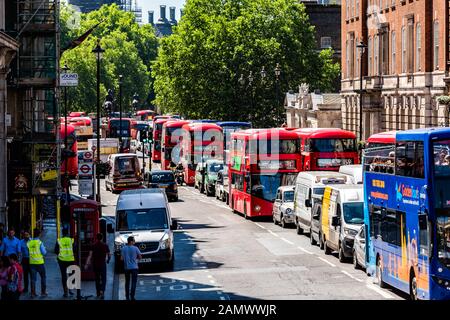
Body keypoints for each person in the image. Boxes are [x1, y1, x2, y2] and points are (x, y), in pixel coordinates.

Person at [85, 233, 111, 299]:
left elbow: (90, 255)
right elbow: (109, 254)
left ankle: (98, 292)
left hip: (95, 265)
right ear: (102, 238)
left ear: (96, 238)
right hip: (102, 264)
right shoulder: (105, 245)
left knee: (97, 279)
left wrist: (87, 264)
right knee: (103, 278)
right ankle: (102, 291)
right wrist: (108, 260)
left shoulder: (93, 245)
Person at [54, 227, 75, 298]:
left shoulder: (59, 240)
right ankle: (71, 290)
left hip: (62, 260)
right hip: (70, 260)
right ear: (68, 233)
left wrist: (60, 254)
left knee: (64, 276)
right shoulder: (71, 240)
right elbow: (75, 249)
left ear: (62, 233)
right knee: (71, 275)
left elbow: (56, 251)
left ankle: (65, 292)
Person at [120, 236, 142, 301]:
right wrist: (136, 260)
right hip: (134, 267)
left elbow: (121, 258)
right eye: (134, 241)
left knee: (127, 282)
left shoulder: (123, 248)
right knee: (134, 282)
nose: (134, 242)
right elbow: (140, 257)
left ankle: (127, 297)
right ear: (131, 241)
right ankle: (132, 296)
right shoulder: (136, 248)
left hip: (127, 268)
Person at [27, 228, 47, 298]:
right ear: (39, 234)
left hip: (32, 263)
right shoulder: (40, 243)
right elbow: (44, 253)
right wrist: (44, 248)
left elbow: (27, 251)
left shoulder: (29, 243)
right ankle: (43, 292)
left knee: (33, 279)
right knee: (43, 277)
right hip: (40, 263)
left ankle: (33, 293)